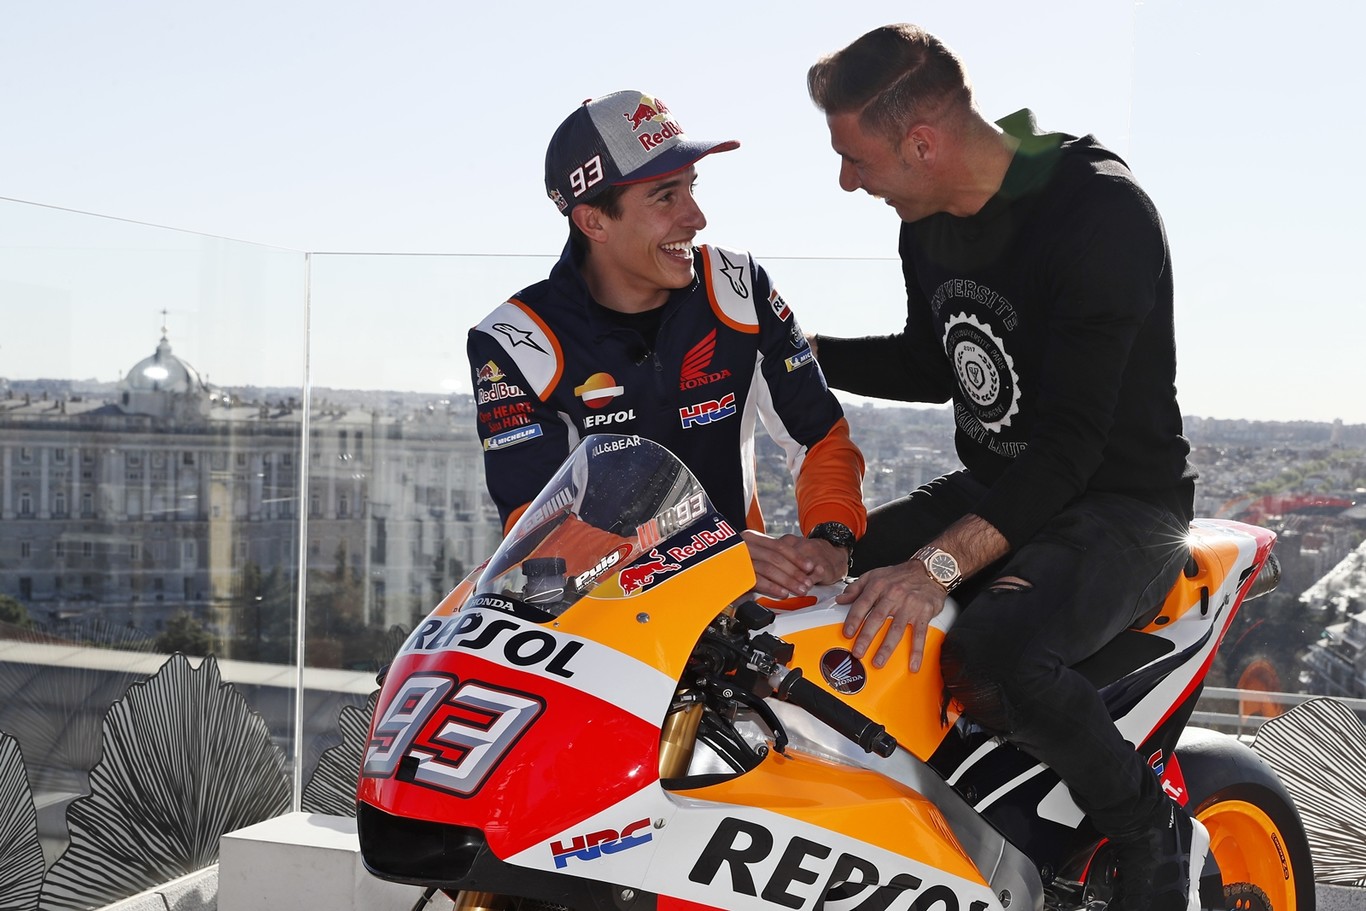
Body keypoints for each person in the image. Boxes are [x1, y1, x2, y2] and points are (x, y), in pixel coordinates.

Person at [805, 24, 1203, 911]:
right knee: (802, 576)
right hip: (1000, 486)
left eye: (855, 158)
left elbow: (1071, 447)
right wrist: (799, 352)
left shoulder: (1098, 213)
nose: (848, 182)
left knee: (997, 658)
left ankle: (1150, 829)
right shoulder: (928, 222)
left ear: (922, 143)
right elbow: (932, 360)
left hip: (1120, 507)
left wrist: (935, 566)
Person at [469, 90, 866, 599]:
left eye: (691, 187)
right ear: (594, 221)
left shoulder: (738, 287)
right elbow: (537, 531)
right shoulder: (514, 342)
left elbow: (819, 435)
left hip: (741, 607)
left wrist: (831, 538)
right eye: (665, 197)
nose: (697, 217)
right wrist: (706, 556)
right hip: (602, 613)